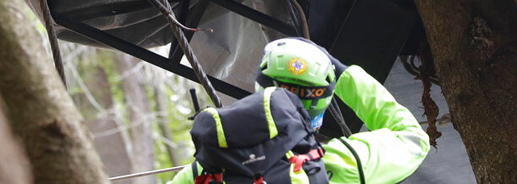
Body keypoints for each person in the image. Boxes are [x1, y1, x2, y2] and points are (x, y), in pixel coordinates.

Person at [169, 38, 429, 184]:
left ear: (261, 88)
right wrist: (344, 75)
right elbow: (413, 138)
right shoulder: (341, 163)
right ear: (323, 100)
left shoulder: (207, 170)